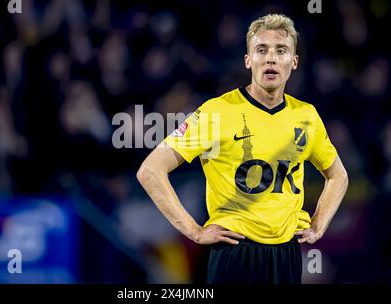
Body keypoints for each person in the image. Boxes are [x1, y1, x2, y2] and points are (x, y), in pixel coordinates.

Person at [136, 14, 349, 284]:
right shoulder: (216, 112)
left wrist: (319, 225)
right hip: (234, 252)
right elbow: (150, 170)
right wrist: (194, 231)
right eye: (262, 50)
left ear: (293, 62)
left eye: (281, 50)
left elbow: (338, 175)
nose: (271, 58)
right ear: (248, 60)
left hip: (286, 254)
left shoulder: (306, 116)